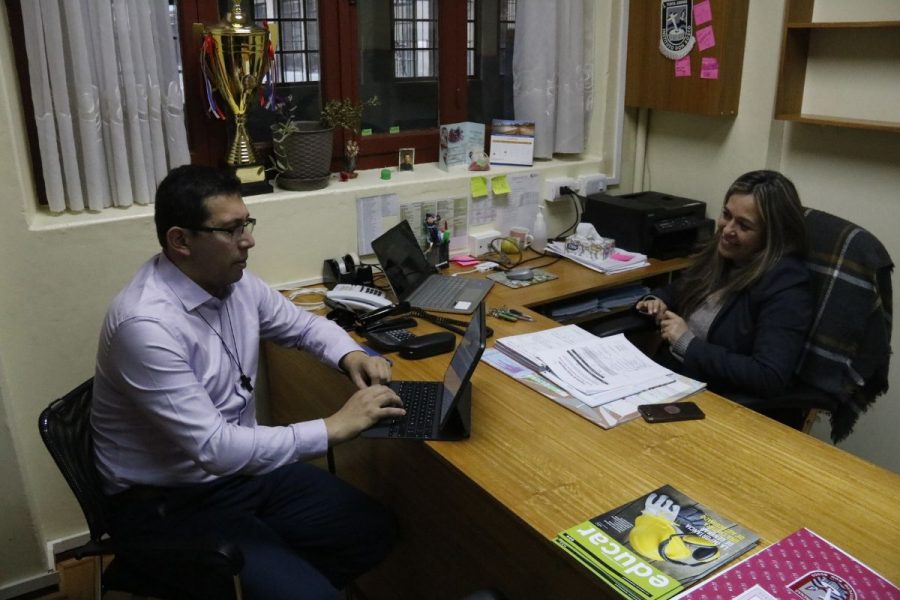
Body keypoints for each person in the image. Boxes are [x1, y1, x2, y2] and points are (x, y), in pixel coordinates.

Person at [91, 165, 406, 600]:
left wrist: (350, 353)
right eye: (231, 230)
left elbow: (301, 326)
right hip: (167, 501)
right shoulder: (146, 325)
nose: (249, 240)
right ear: (180, 241)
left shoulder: (232, 281)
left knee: (373, 530)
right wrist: (334, 427)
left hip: (236, 475)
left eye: (247, 224)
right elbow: (215, 449)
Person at [635, 170, 813, 424]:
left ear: (771, 234)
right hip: (670, 380)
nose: (727, 229)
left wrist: (687, 343)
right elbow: (682, 289)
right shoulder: (725, 255)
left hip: (714, 401)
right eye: (726, 215)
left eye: (744, 225)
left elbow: (769, 376)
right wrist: (657, 299)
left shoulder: (787, 284)